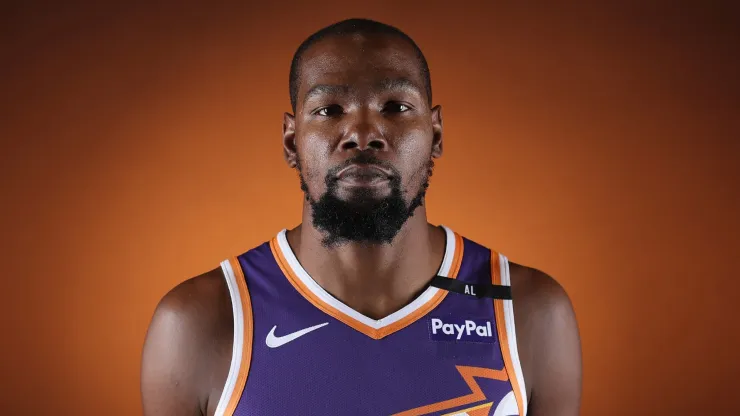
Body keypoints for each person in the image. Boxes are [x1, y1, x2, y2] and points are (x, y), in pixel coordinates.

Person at [141, 18, 582, 416]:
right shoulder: (201, 324)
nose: (364, 134)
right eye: (329, 110)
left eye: (395, 107)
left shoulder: (526, 312)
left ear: (436, 134)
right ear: (292, 141)